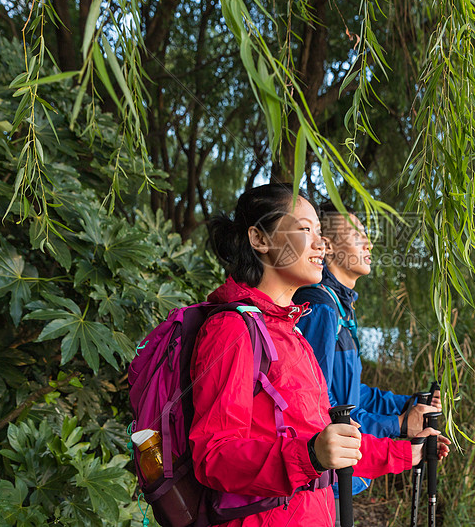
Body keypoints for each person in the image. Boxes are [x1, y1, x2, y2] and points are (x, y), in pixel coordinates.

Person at [189, 184, 450, 527]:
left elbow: (330, 434)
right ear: (259, 239)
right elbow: (213, 457)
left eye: (320, 231)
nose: (320, 243)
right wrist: (311, 455)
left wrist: (407, 453)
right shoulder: (233, 330)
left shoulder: (291, 331)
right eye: (305, 229)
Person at [293, 201, 442, 501]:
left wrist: (408, 403)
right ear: (329, 247)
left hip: (341, 477)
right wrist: (399, 424)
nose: (369, 242)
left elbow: (350, 393)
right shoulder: (319, 307)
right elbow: (319, 405)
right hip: (321, 482)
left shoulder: (339, 306)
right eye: (357, 234)